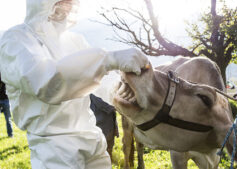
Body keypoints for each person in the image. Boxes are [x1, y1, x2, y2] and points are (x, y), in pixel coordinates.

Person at [0, 0, 149, 168]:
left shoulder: (74, 40)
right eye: (63, 1)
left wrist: (122, 91)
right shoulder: (15, 39)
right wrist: (108, 59)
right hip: (53, 147)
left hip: (91, 136)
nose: (68, 6)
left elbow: (98, 79)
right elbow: (47, 83)